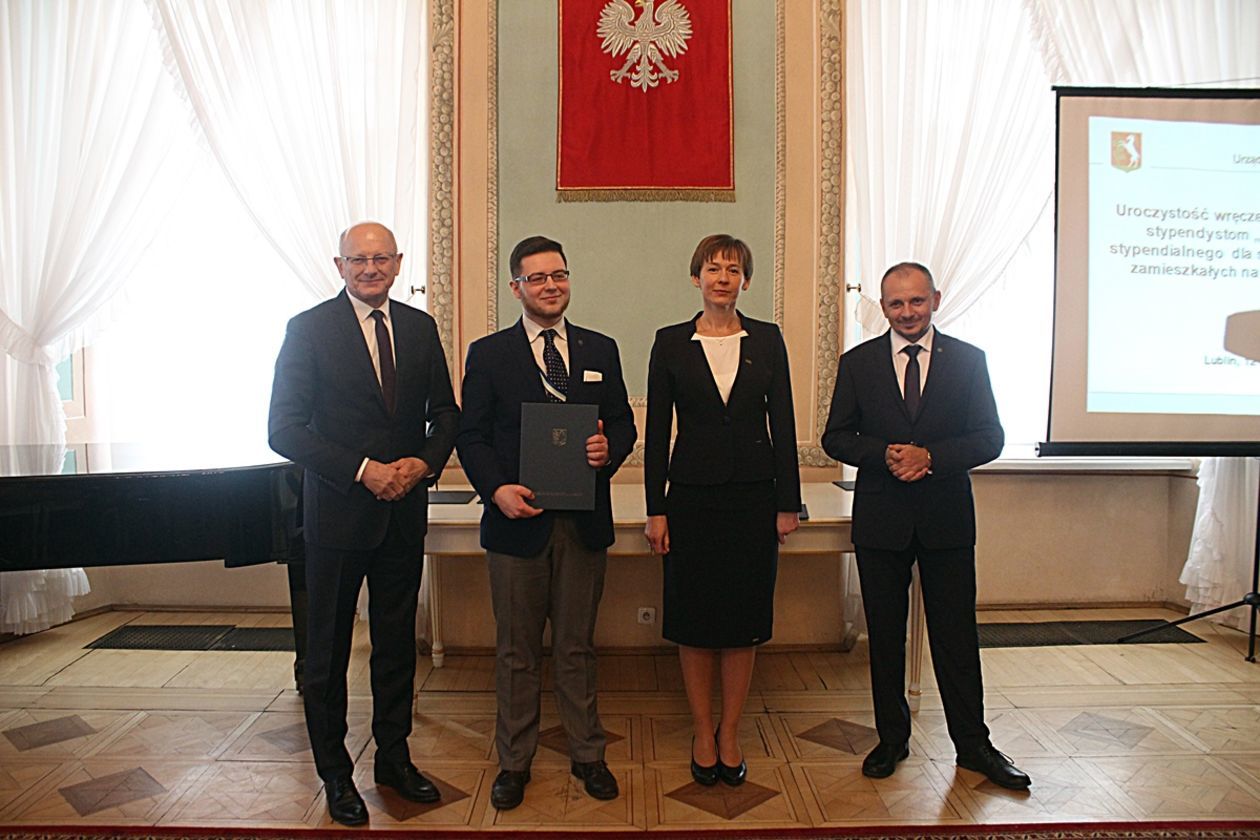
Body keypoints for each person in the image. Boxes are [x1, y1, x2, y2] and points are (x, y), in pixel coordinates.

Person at [268, 222, 460, 825]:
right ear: (340, 265)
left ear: (398, 263)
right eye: (358, 260)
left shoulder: (420, 328)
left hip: (403, 514)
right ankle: (335, 773)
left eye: (380, 259)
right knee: (327, 652)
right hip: (337, 516)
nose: (370, 269)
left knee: (396, 646)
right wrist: (362, 470)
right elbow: (283, 429)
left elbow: (446, 414)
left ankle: (394, 759)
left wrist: (423, 463)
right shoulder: (308, 329)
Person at [820, 262, 1030, 790]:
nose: (907, 312)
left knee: (956, 637)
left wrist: (931, 457)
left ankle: (974, 745)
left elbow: (990, 438)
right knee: (885, 638)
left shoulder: (969, 360)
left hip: (946, 521)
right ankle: (892, 739)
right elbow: (836, 437)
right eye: (896, 303)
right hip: (881, 522)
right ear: (884, 307)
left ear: (935, 299)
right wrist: (885, 454)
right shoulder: (857, 363)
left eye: (916, 301)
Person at [455, 235, 637, 811]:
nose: (550, 285)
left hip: (583, 524)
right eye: (536, 278)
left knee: (578, 647)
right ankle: (514, 762)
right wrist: (496, 491)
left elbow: (623, 424)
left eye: (558, 274)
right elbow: (471, 436)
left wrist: (609, 449)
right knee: (516, 651)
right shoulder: (488, 354)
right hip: (516, 524)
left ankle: (588, 754)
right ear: (516, 288)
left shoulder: (600, 348)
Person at [643, 234, 801, 787]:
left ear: (745, 281)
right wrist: (656, 509)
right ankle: (702, 731)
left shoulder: (768, 339)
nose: (722, 278)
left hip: (754, 499)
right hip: (690, 499)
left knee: (742, 621)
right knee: (694, 619)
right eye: (713, 268)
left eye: (733, 270)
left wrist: (788, 503)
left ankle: (730, 732)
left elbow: (784, 423)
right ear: (696, 277)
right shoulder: (670, 342)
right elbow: (656, 432)